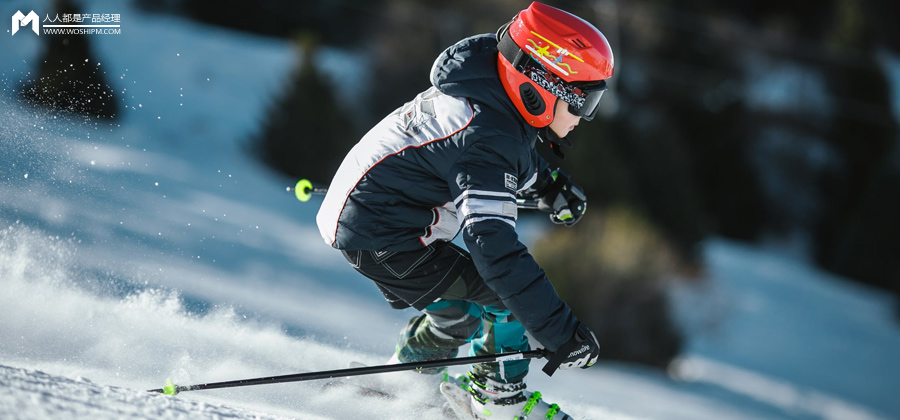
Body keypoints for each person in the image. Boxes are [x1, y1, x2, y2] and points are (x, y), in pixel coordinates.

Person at [316, 2, 613, 418]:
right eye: (583, 102)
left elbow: (504, 152)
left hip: (373, 219)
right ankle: (498, 399)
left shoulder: (489, 94)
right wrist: (560, 332)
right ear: (545, 87)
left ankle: (402, 382)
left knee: (460, 315)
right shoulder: (487, 137)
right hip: (381, 232)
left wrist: (549, 185)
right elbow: (493, 248)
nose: (585, 117)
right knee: (504, 300)